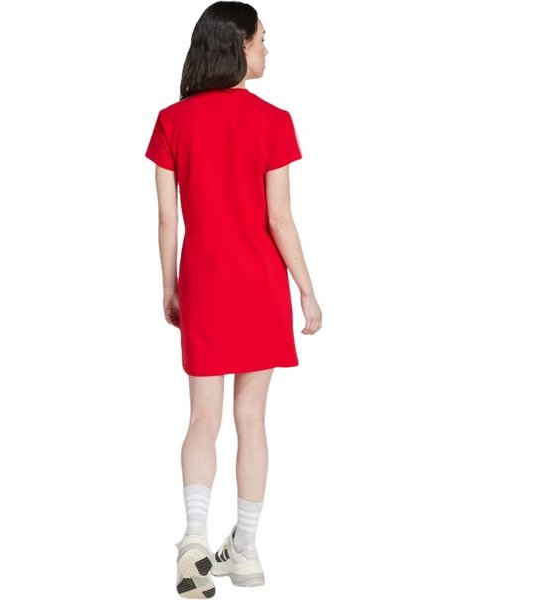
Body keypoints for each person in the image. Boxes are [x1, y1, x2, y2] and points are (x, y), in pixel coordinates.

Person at [144, 2, 322, 597]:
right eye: (262, 39)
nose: (267, 50)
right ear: (238, 46)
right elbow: (280, 219)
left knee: (202, 418)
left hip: (205, 284)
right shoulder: (274, 121)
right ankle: (244, 551)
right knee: (252, 420)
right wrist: (307, 289)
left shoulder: (172, 121)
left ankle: (194, 539)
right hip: (260, 287)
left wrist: (170, 286)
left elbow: (167, 219)